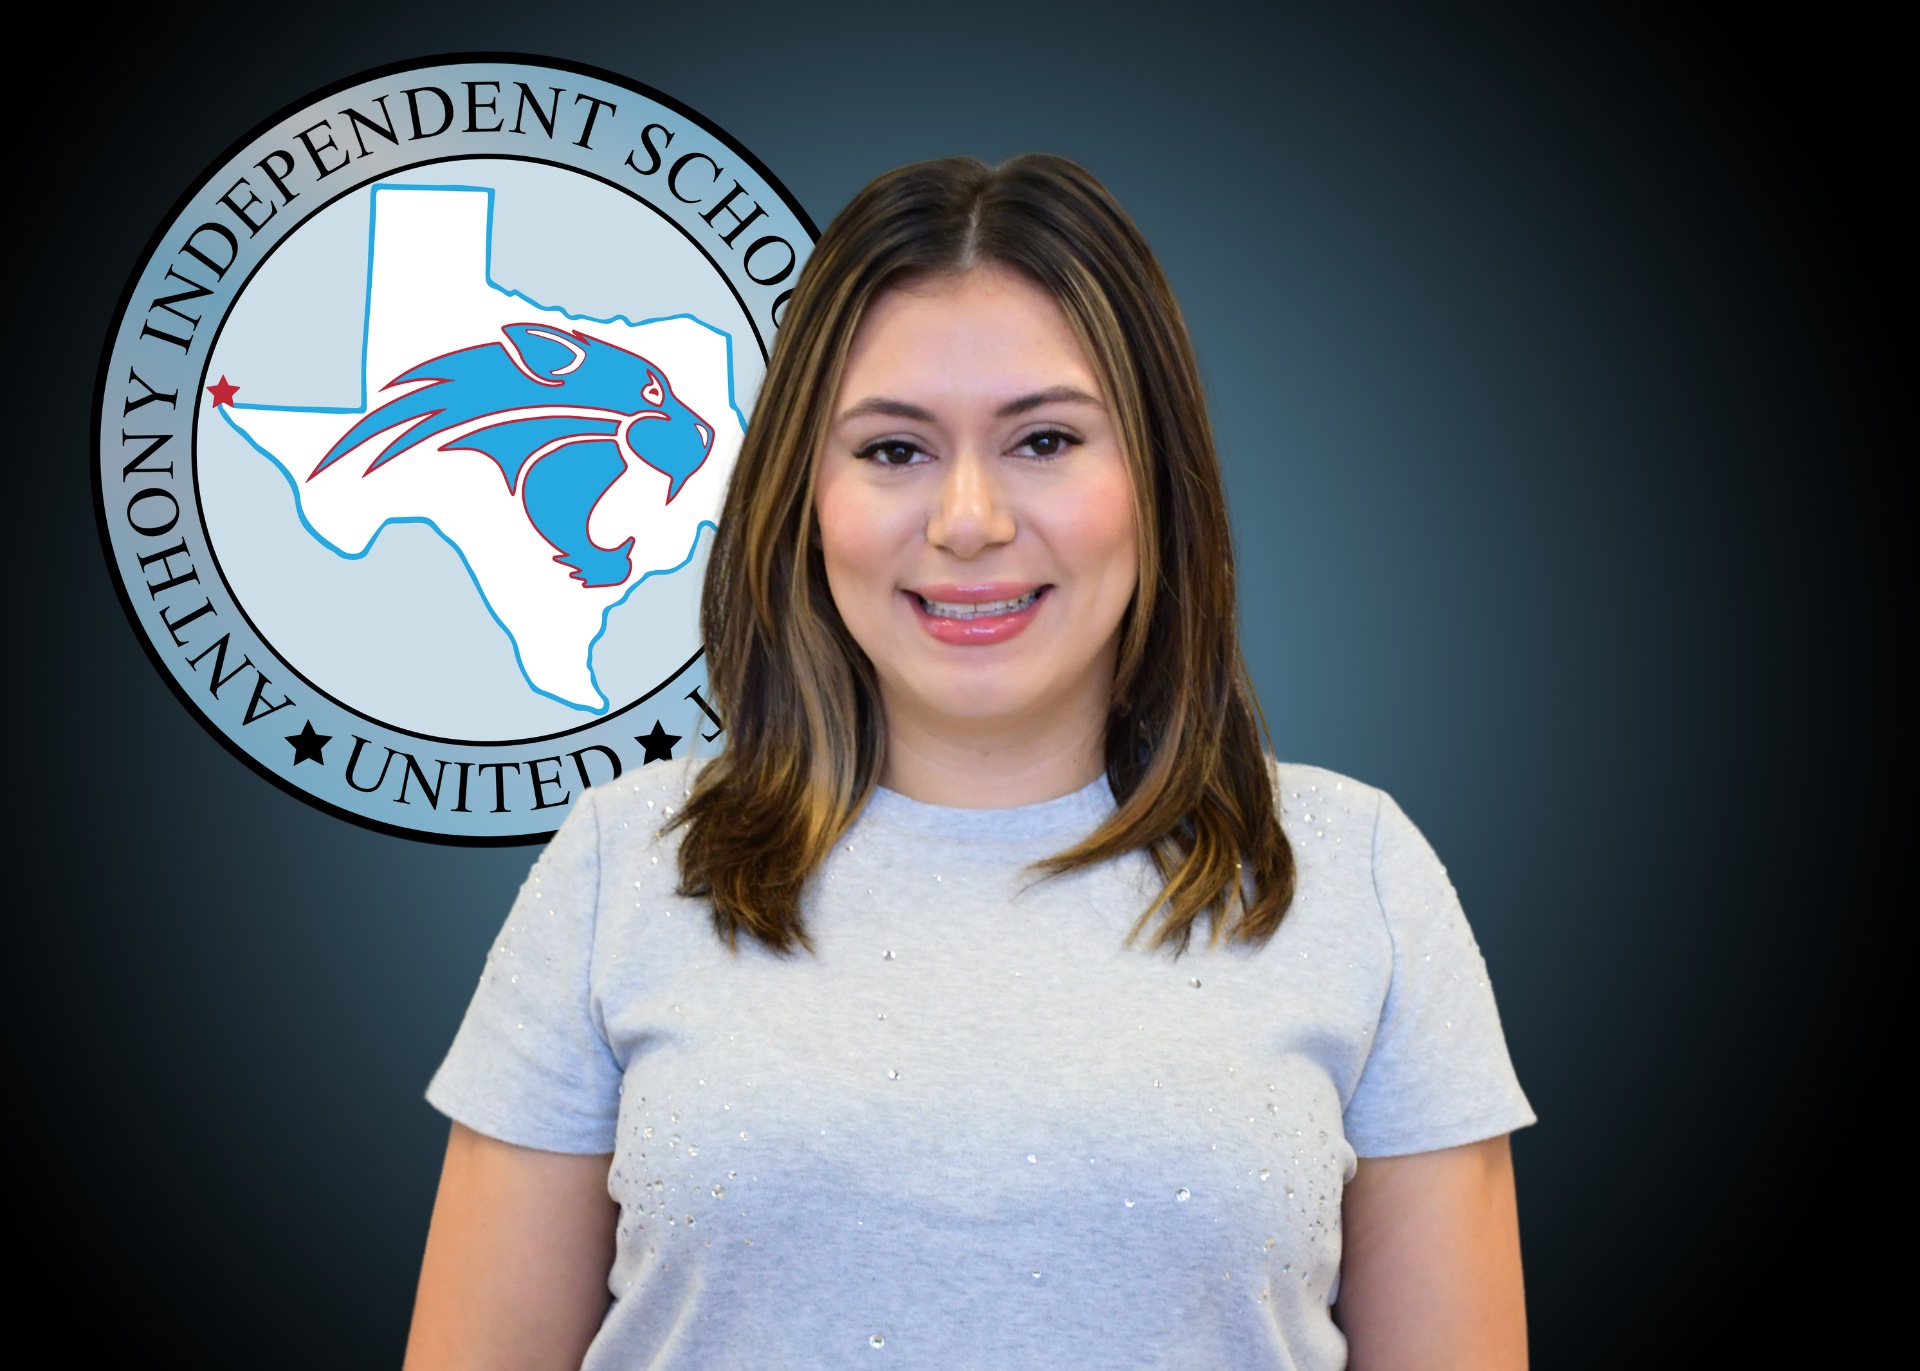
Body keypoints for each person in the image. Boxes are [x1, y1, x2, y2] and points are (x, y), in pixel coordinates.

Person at [403, 154, 1534, 1371]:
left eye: (1045, 439)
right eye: (894, 451)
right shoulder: (622, 864)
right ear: (804, 497)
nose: (970, 520)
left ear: (1156, 478)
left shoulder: (1354, 871)